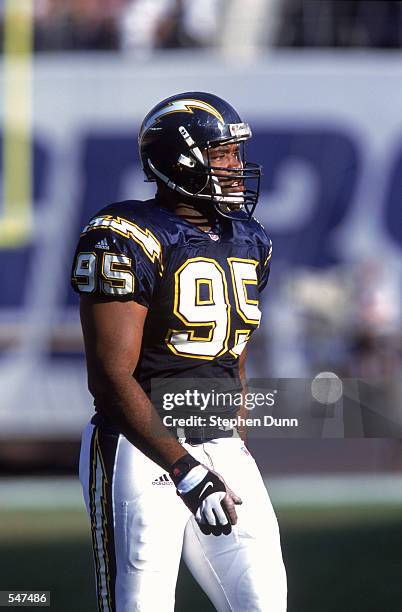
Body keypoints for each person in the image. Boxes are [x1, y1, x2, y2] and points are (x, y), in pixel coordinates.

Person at [71, 91, 287, 611]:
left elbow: (231, 356)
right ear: (181, 160)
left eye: (236, 154)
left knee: (264, 602)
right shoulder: (124, 235)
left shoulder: (249, 239)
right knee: (142, 604)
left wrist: (235, 438)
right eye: (222, 155)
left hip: (220, 440)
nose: (236, 168)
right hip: (141, 449)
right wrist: (186, 468)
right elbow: (109, 379)